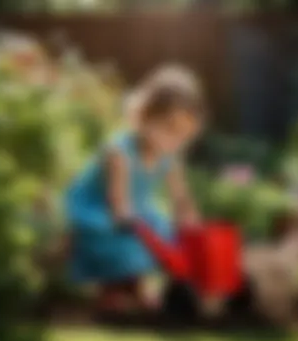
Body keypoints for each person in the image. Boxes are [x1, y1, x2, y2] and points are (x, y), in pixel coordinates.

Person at [65, 65, 205, 314]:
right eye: (169, 129)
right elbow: (118, 203)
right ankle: (112, 290)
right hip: (104, 209)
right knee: (128, 240)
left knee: (165, 234)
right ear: (145, 118)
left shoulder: (170, 155)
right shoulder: (119, 152)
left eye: (183, 134)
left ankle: (136, 288)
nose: (175, 140)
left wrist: (192, 229)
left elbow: (181, 198)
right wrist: (137, 226)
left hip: (137, 209)